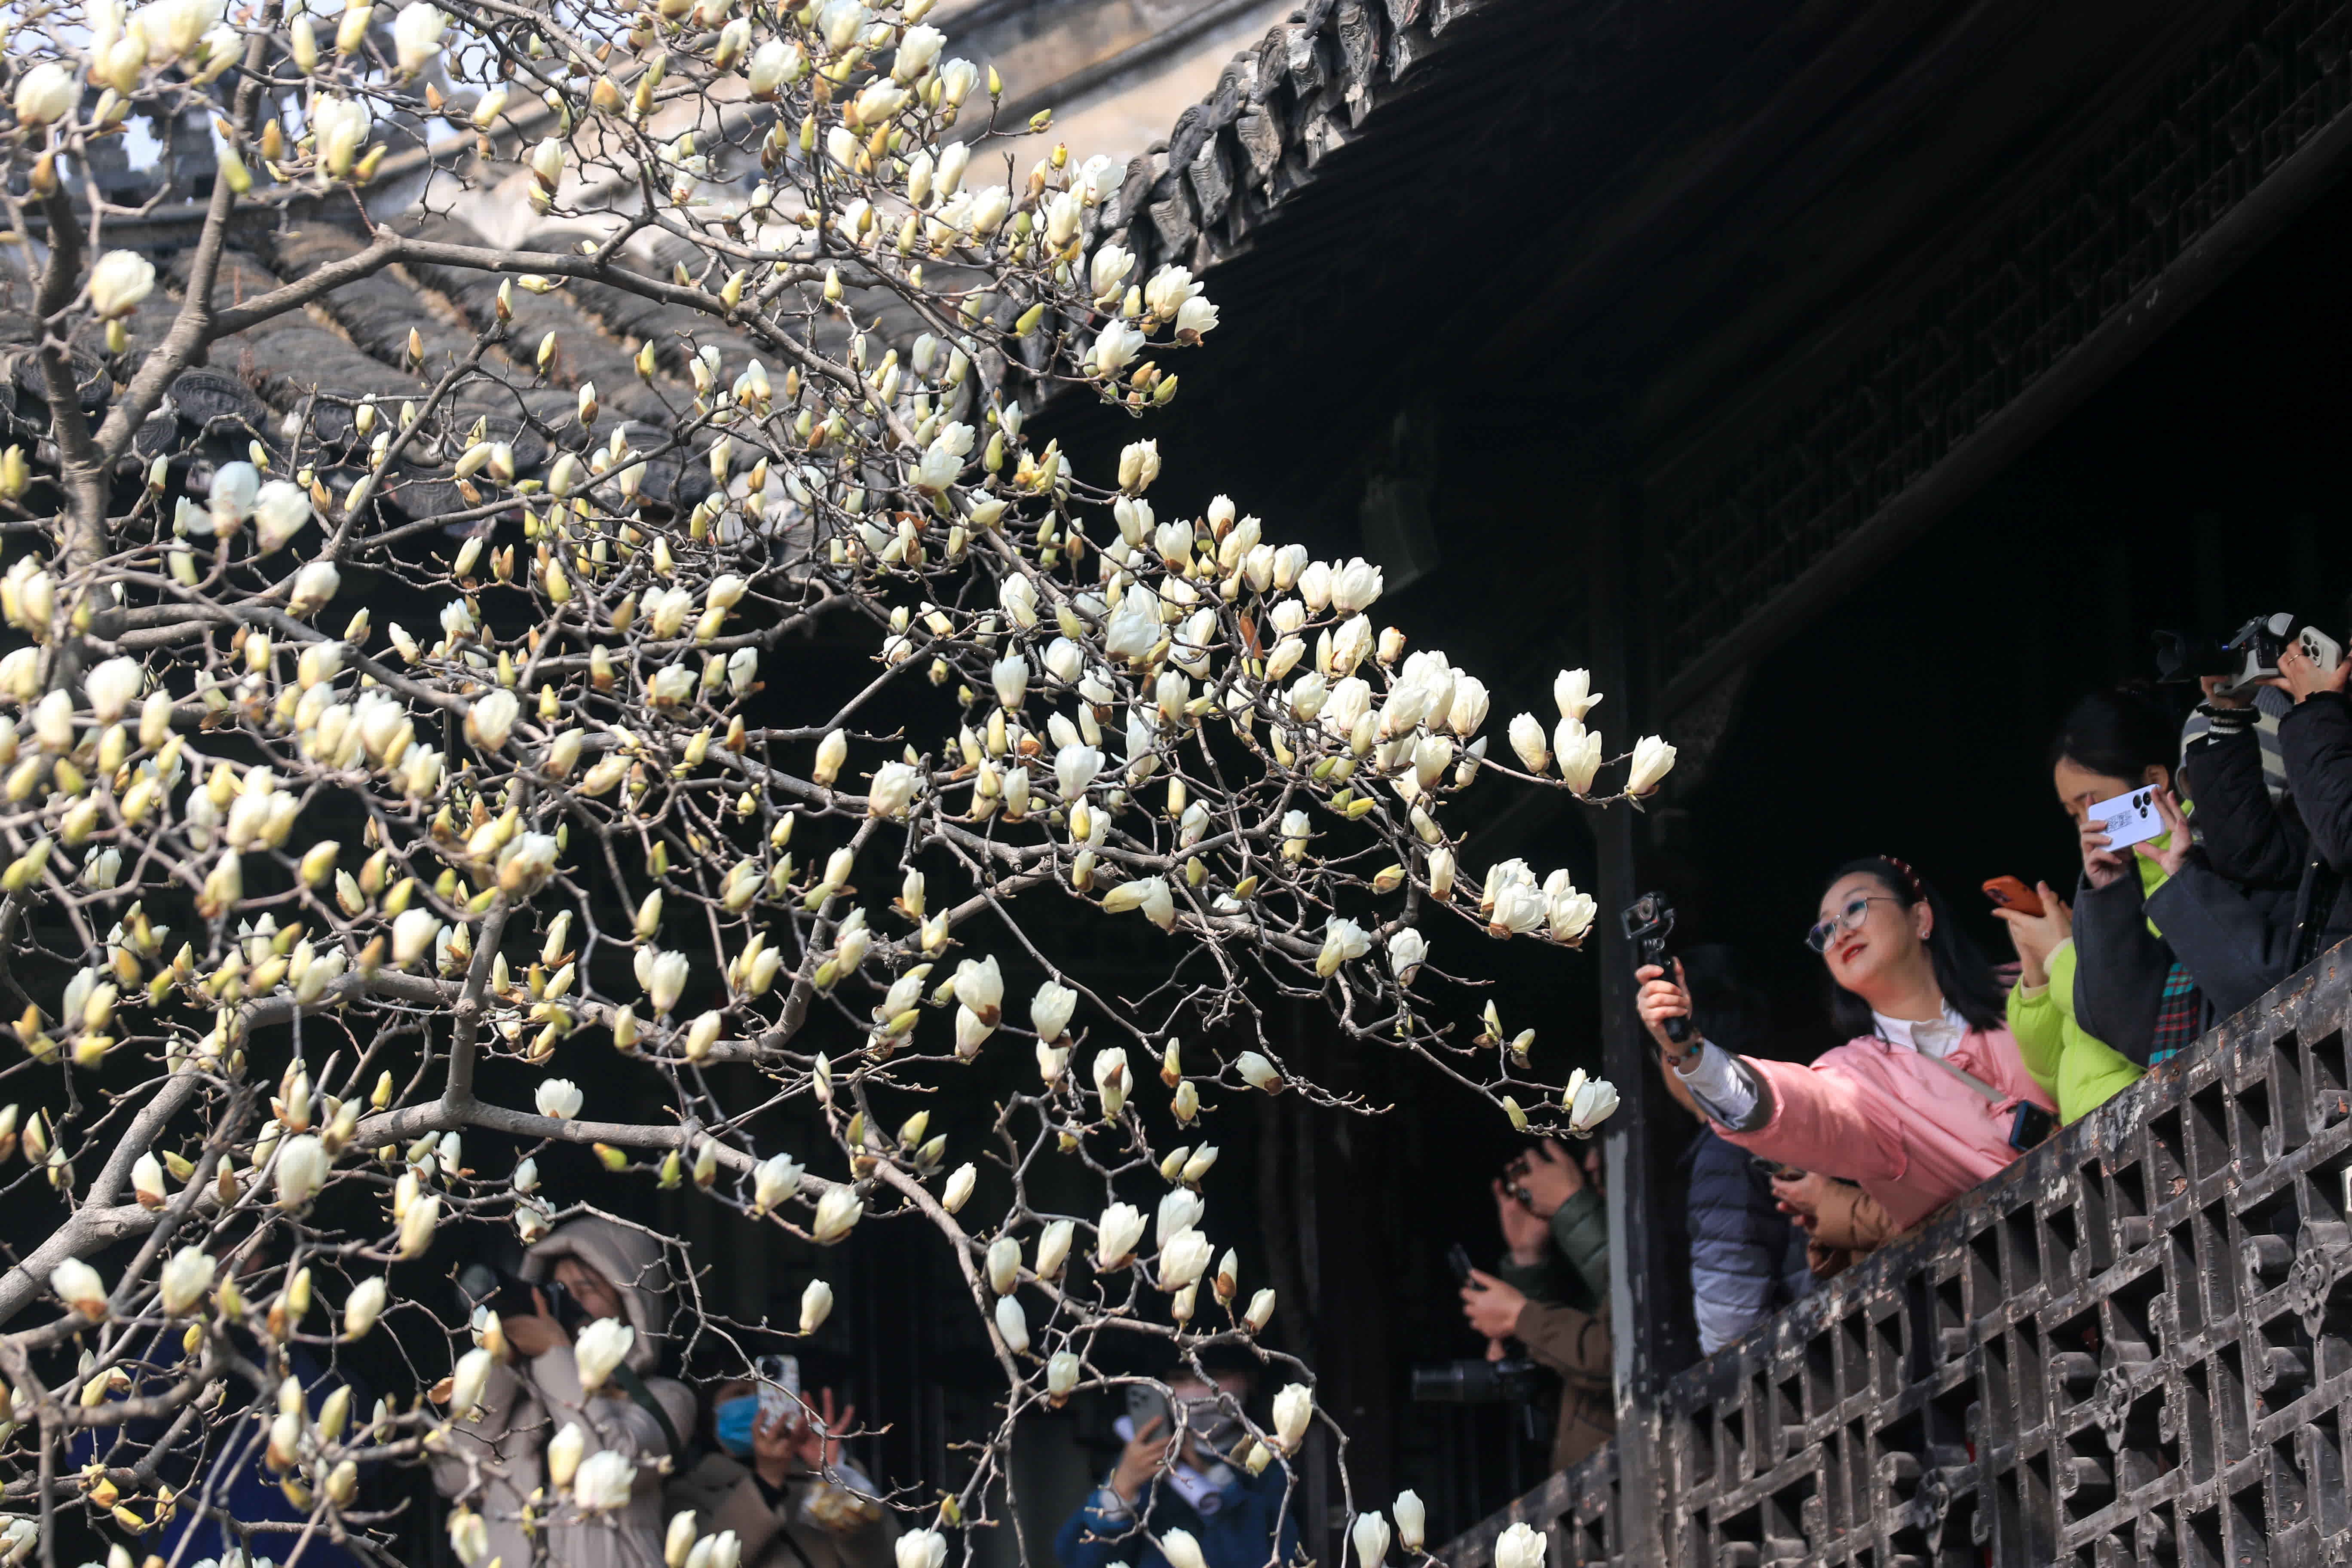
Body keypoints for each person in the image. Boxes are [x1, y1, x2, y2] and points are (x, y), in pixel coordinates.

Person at [1636, 856, 2056, 1234]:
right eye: (1825, 930)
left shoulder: (2029, 980)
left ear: (1921, 918)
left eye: (1856, 908)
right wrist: (1691, 1052)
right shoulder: (1857, 1079)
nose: (1840, 933)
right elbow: (1792, 1106)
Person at [432, 1216, 698, 1568]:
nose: (567, 1302)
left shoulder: (667, 1399)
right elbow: (453, 1478)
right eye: (556, 1289)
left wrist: (553, 1355)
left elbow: (603, 1466)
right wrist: (501, 1367)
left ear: (630, 1307)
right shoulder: (520, 1398)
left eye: (586, 1290)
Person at [1054, 1354, 1298, 1568]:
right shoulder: (1143, 1460)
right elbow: (1078, 1559)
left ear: (1251, 1380)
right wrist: (1120, 1491)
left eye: (1215, 1376)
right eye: (1179, 1378)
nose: (1196, 1391)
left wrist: (1215, 1488)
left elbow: (1266, 1557)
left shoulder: (1271, 1466)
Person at [1455, 1140, 1614, 1469]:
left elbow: (1619, 1352)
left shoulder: (1664, 1233)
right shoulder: (1590, 1269)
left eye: (1602, 1145)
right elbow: (1568, 1388)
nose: (1592, 1165)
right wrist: (1530, 1260)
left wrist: (1521, 1318)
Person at [666, 1375, 898, 1568]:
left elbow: (881, 1558)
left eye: (768, 1391)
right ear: (711, 1415)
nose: (758, 1404)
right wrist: (767, 1479)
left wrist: (834, 1473)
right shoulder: (688, 1493)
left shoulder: (824, 1476)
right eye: (740, 1393)